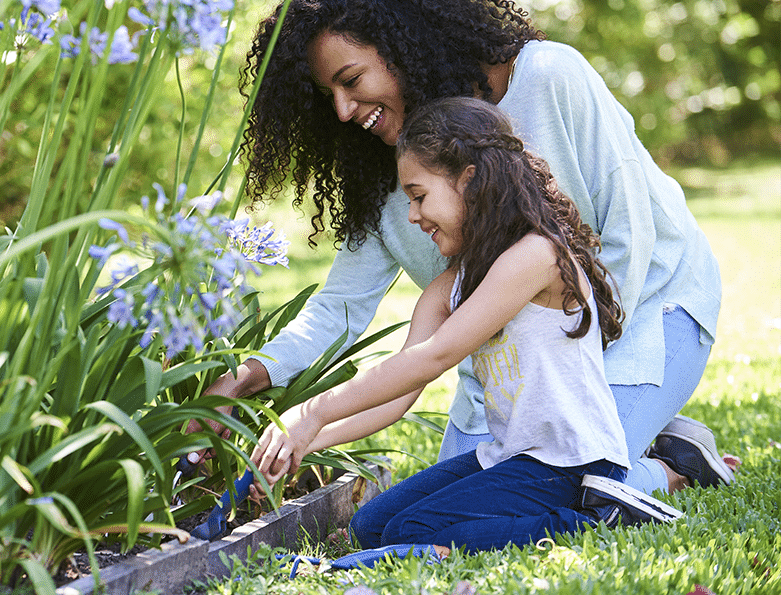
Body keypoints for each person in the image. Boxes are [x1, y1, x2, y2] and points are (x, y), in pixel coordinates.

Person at [195, 0, 732, 496]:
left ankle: (670, 469)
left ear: (401, 46)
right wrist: (249, 375)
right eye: (326, 95)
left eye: (351, 80)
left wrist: (572, 389)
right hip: (511, 372)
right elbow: (338, 308)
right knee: (456, 497)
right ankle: (653, 439)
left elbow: (630, 235)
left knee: (571, 486)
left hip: (646, 314)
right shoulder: (388, 178)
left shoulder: (547, 77)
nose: (341, 110)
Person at [252, 97, 683, 558]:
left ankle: (599, 515)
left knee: (412, 531)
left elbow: (434, 357)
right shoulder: (450, 285)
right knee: (371, 526)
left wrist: (313, 411)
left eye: (419, 196)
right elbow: (402, 387)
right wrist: (304, 442)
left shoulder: (536, 256)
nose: (413, 215)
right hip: (512, 457)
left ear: (470, 180)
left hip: (571, 464)